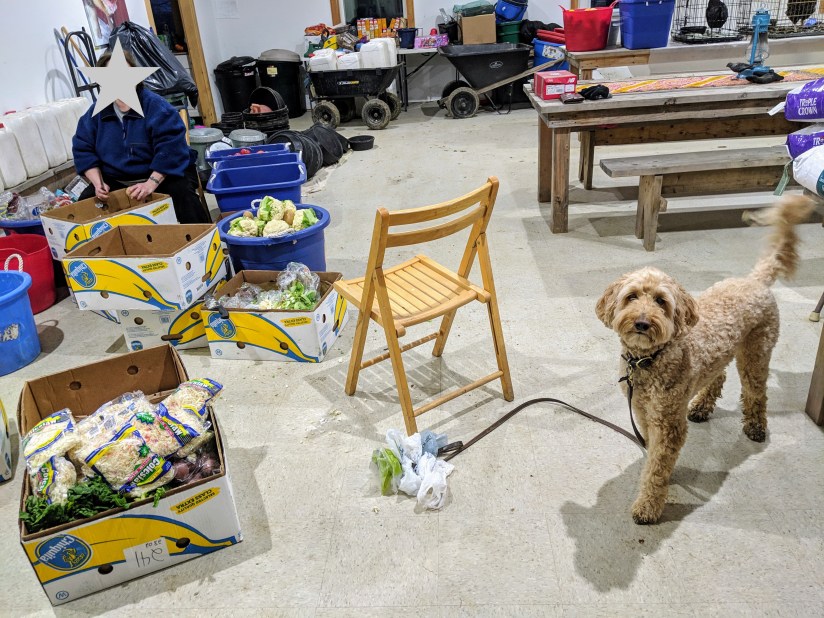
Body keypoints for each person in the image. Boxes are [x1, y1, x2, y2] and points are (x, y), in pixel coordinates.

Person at [72, 50, 209, 224]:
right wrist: (98, 183)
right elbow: (83, 149)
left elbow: (171, 149)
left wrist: (150, 184)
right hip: (117, 179)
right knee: (83, 207)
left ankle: (203, 238)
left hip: (164, 175)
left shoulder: (157, 107)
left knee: (183, 196)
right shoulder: (95, 114)